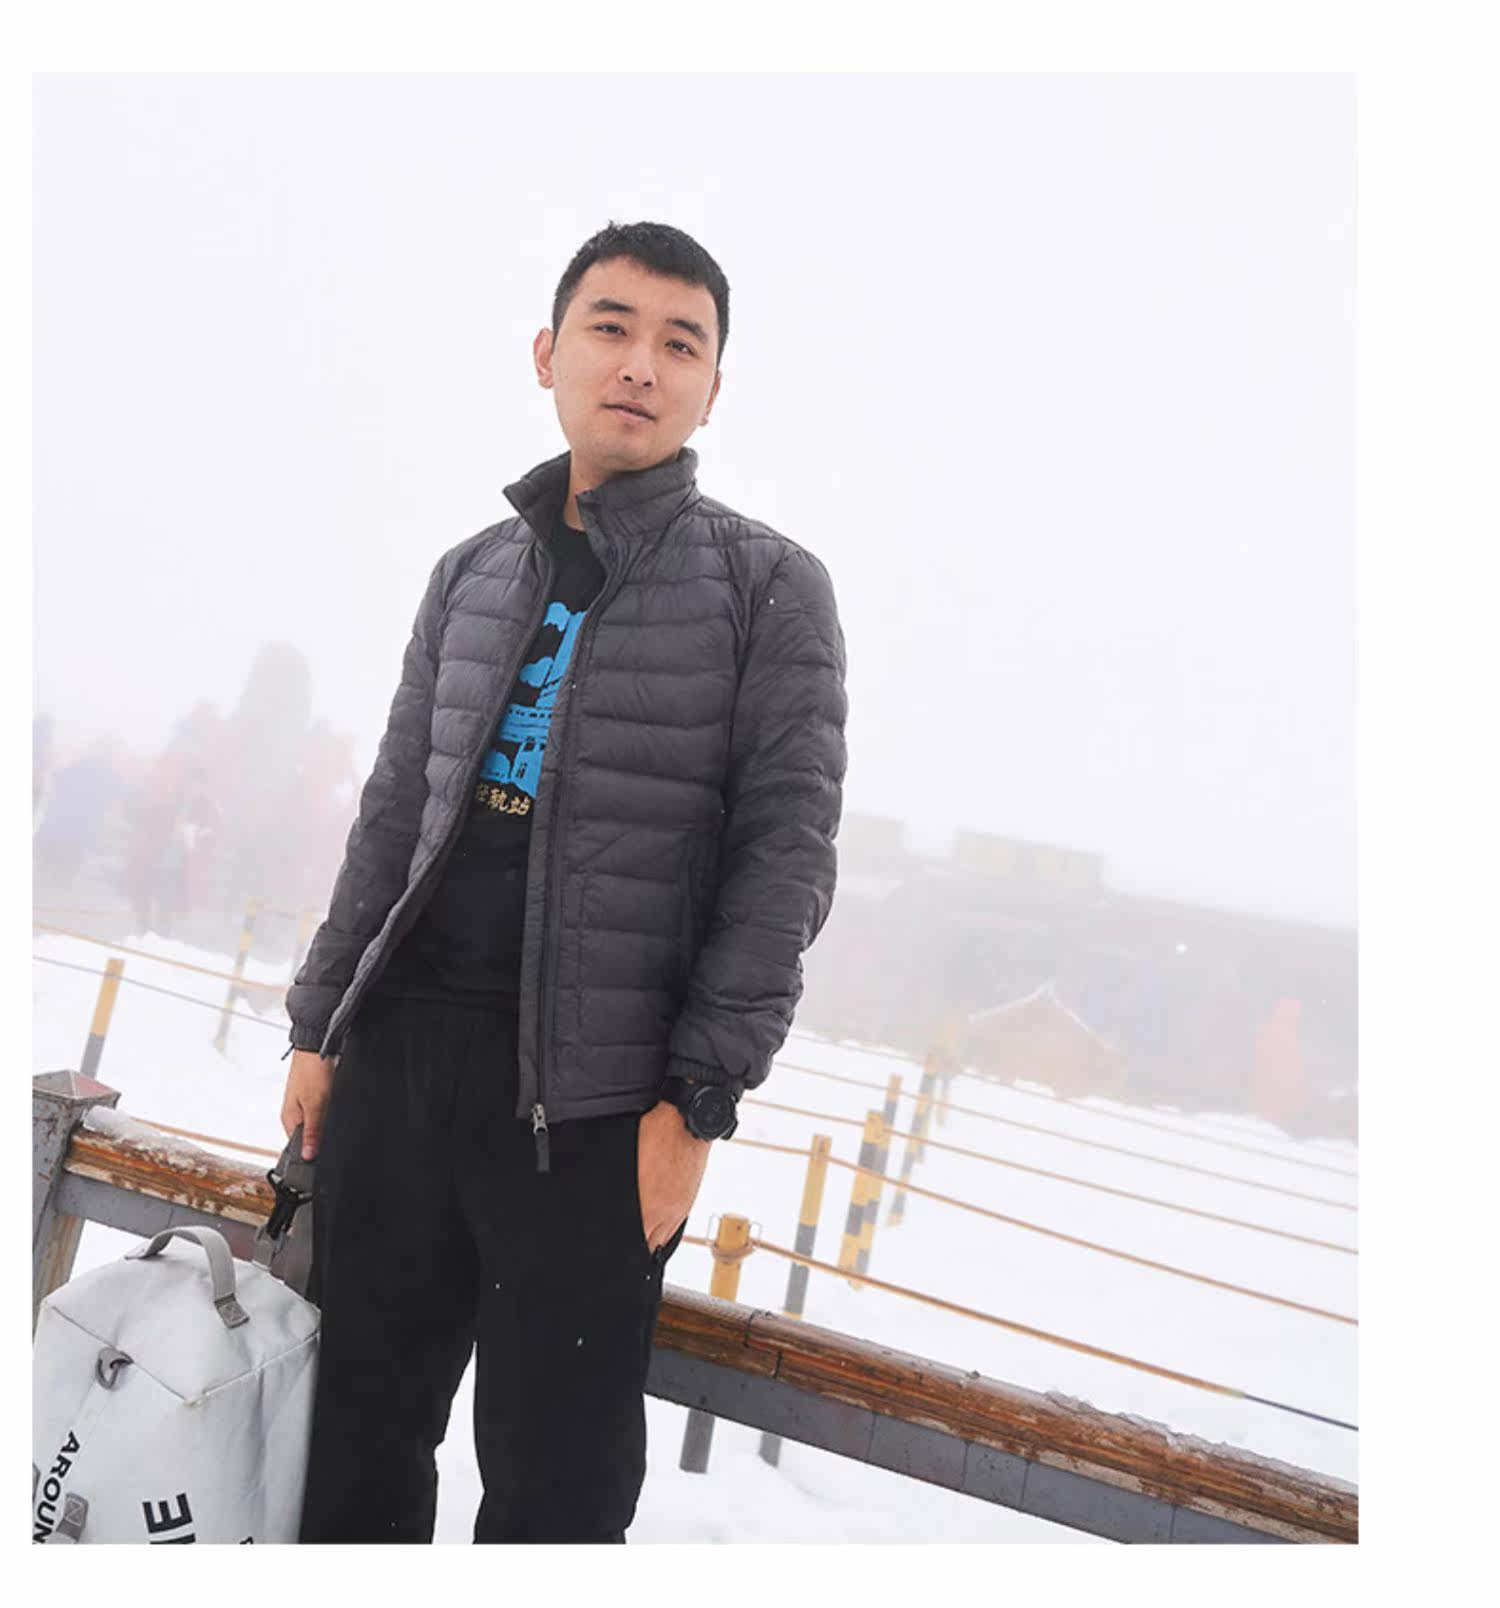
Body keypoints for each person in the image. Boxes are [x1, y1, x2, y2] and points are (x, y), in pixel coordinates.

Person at [280, 220, 848, 1544]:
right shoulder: (471, 574)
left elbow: (784, 860)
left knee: (557, 1498)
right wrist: (321, 1024)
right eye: (610, 328)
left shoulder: (769, 589)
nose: (640, 364)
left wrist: (695, 1105)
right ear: (547, 354)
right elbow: (393, 816)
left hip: (592, 1110)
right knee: (352, 1450)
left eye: (679, 343)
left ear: (713, 388)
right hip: (401, 1067)